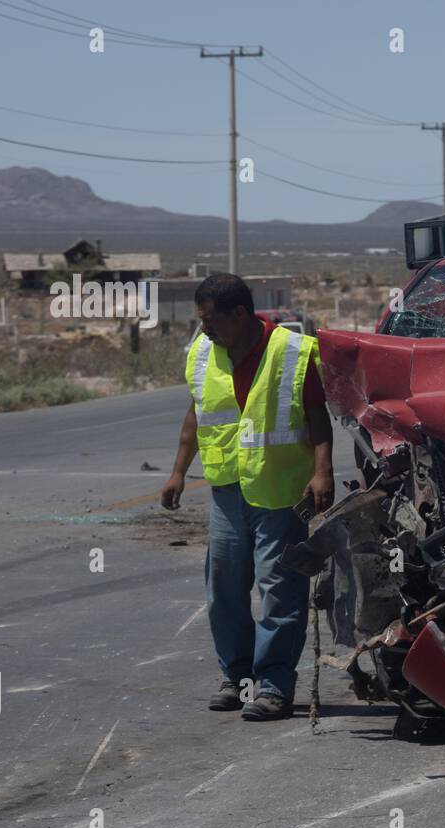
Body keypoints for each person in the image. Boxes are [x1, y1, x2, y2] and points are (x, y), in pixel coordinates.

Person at [160, 274, 334, 720]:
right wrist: (178, 472)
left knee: (279, 590)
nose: (205, 329)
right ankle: (236, 678)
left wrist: (322, 471)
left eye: (210, 319)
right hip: (227, 493)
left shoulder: (291, 352)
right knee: (224, 589)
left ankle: (274, 686)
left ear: (240, 314)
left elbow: (317, 415)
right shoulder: (203, 353)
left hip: (279, 492)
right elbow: (195, 415)